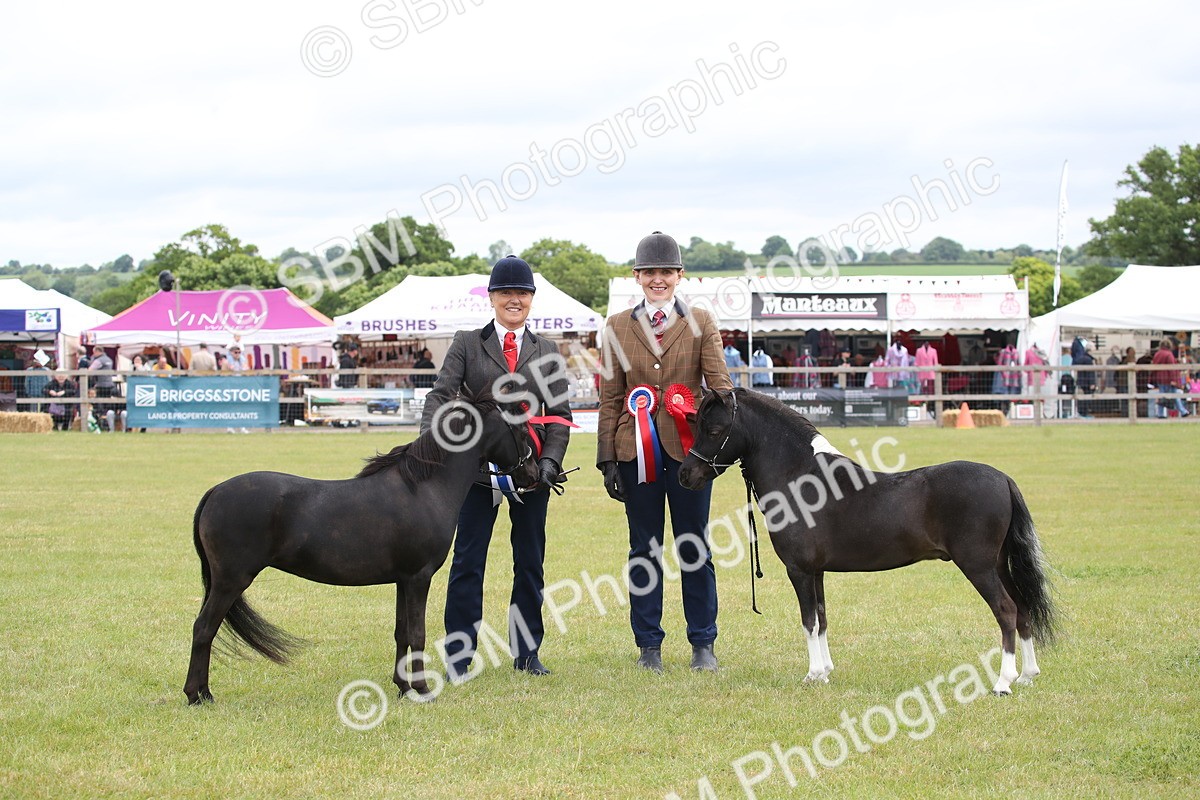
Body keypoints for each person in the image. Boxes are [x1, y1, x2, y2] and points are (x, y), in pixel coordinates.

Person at [422, 255, 573, 681]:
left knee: (530, 561)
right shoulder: (467, 343)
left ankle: (527, 652)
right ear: (491, 298)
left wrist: (549, 462)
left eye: (522, 293)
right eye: (506, 293)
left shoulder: (547, 351)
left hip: (530, 472)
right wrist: (427, 442)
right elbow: (440, 395)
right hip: (476, 472)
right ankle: (459, 655)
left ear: (531, 300)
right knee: (468, 560)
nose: (514, 300)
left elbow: (560, 415)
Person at [597, 231, 733, 674]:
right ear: (637, 276)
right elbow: (611, 397)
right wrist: (607, 459)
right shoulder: (617, 326)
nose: (658, 280)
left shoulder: (701, 321)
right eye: (650, 272)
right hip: (634, 452)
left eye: (666, 272)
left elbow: (721, 388)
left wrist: (716, 448)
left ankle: (703, 642)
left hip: (689, 453)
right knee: (644, 549)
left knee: (694, 546)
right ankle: (648, 644)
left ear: (679, 275)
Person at [1151, 340, 1190, 418]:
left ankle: (1161, 413)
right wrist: (1174, 380)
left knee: (1162, 396)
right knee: (1175, 395)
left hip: (1160, 379)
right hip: (1169, 379)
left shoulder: (1157, 354)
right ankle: (1183, 411)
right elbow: (1172, 368)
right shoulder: (1169, 354)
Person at [88, 345, 120, 431]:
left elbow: (90, 370)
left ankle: (102, 425)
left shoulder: (98, 360)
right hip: (110, 385)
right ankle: (108, 424)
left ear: (97, 351)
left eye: (94, 352)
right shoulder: (109, 359)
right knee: (108, 405)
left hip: (101, 385)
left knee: (100, 406)